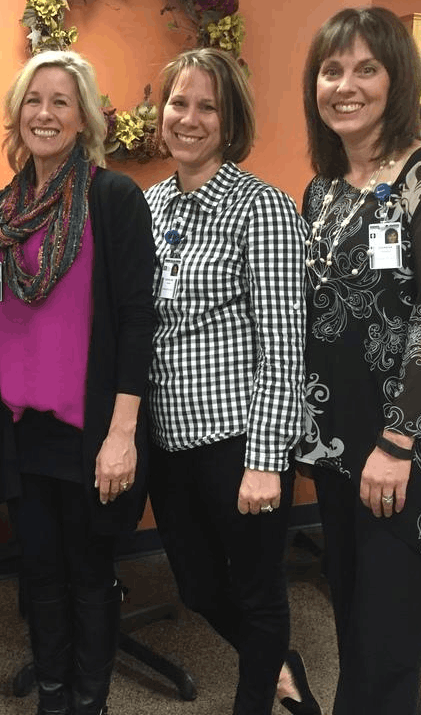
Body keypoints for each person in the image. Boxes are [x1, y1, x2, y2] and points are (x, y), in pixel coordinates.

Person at [297, 7, 421, 715]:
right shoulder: (324, 188)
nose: (345, 86)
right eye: (331, 70)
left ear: (396, 78)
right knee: (358, 628)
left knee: (386, 647)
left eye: (365, 69)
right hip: (342, 445)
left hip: (409, 450)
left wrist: (397, 440)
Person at [144, 48, 320, 715]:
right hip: (168, 440)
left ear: (230, 121)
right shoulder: (150, 205)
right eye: (178, 103)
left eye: (206, 107)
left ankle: (260, 694)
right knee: (196, 587)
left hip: (238, 439)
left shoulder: (262, 209)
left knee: (257, 593)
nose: (188, 118)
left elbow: (285, 345)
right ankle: (279, 665)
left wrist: (266, 461)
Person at [0, 49, 155, 715]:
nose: (45, 113)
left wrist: (122, 434)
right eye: (33, 100)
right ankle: (53, 694)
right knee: (40, 573)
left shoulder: (112, 198)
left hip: (90, 432)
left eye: (61, 101)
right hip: (22, 429)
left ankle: (90, 700)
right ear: (17, 115)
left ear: (84, 118)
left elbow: (137, 320)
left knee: (88, 573)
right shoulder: (3, 211)